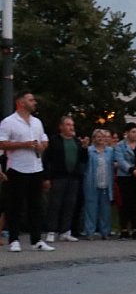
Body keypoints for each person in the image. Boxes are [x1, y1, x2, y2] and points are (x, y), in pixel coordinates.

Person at [0, 90, 55, 252]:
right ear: (21, 102)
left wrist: (41, 146)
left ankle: (36, 240)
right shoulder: (9, 122)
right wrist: (23, 144)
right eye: (31, 100)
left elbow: (44, 140)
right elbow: (2, 143)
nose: (34, 102)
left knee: (36, 205)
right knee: (15, 205)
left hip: (35, 167)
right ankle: (14, 239)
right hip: (17, 168)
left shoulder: (37, 122)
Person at [43, 116, 89, 242]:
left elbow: (83, 160)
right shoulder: (54, 141)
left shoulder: (77, 142)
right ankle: (51, 230)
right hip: (58, 177)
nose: (71, 127)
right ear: (61, 127)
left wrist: (84, 148)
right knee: (55, 203)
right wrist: (46, 178)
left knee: (70, 204)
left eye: (72, 125)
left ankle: (65, 230)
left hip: (73, 177)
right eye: (68, 125)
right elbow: (46, 160)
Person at [83, 129, 115, 239]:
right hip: (92, 183)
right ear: (93, 138)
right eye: (98, 136)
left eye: (102, 136)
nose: (100, 138)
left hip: (106, 183)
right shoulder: (89, 151)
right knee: (91, 208)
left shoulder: (110, 151)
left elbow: (114, 164)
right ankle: (90, 232)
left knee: (105, 210)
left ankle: (105, 232)